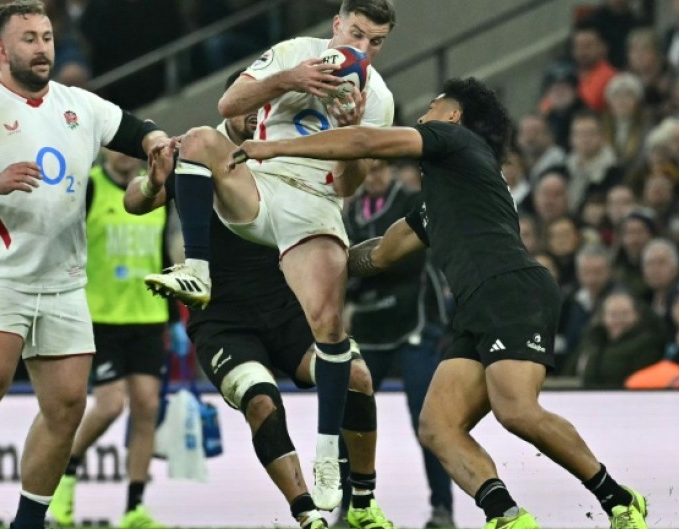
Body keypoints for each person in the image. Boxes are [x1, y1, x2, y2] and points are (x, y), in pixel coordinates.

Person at [230, 77, 649, 529]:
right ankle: (506, 516)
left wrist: (276, 148)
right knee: (437, 425)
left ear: (453, 115)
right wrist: (309, 262)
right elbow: (381, 253)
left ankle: (619, 499)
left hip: (510, 290)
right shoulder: (450, 190)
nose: (423, 115)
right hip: (477, 306)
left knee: (516, 410)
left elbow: (365, 141)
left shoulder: (455, 139)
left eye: (432, 106)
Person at [0, 2, 170, 529]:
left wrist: (156, 143)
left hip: (64, 280)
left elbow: (134, 128)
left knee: (69, 405)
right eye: (28, 38)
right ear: (1, 50)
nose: (41, 47)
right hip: (0, 273)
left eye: (47, 37)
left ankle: (28, 522)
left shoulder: (79, 105)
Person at [144, 0, 397, 509]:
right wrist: (290, 78)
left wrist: (350, 134)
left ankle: (328, 459)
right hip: (259, 187)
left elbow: (348, 185)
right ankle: (197, 270)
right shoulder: (295, 51)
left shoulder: (378, 99)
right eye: (356, 34)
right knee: (198, 139)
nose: (363, 49)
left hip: (314, 206)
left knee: (331, 330)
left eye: (375, 42)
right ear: (336, 25)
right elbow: (228, 103)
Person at [48, 149, 181, 529]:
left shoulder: (157, 188)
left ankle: (134, 508)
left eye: (132, 149)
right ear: (105, 149)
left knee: (147, 407)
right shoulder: (90, 187)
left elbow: (160, 252)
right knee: (109, 406)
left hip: (148, 315)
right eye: (118, 148)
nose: (125, 156)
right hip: (101, 317)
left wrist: (173, 317)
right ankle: (65, 472)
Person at [341, 159, 454, 528]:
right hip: (369, 327)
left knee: (427, 419)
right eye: (367, 170)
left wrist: (362, 268)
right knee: (349, 416)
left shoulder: (411, 201)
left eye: (380, 168)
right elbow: (341, 268)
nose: (373, 176)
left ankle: (442, 509)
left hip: (415, 324)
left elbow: (408, 258)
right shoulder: (349, 212)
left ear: (390, 170)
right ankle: (349, 506)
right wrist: (369, 267)